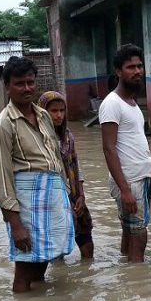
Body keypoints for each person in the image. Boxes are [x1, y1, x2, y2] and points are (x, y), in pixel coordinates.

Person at [0, 56, 74, 292]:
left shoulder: (44, 116)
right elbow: (1, 179)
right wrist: (16, 225)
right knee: (24, 267)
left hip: (52, 198)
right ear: (7, 86)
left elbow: (55, 158)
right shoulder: (2, 126)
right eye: (19, 83)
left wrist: (67, 196)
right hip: (27, 204)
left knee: (43, 258)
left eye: (30, 82)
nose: (27, 88)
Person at [100, 44, 151, 262]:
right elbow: (108, 148)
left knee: (130, 230)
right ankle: (139, 282)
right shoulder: (112, 103)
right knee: (139, 233)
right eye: (131, 67)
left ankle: (127, 271)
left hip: (139, 177)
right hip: (129, 180)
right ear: (119, 71)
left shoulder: (131, 102)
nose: (138, 71)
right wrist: (125, 189)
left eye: (140, 66)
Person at [39, 91, 94, 259]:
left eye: (62, 111)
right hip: (54, 200)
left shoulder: (68, 136)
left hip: (75, 196)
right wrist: (63, 201)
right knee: (58, 252)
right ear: (43, 112)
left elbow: (76, 165)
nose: (59, 115)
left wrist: (81, 195)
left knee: (87, 247)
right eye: (54, 111)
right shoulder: (40, 139)